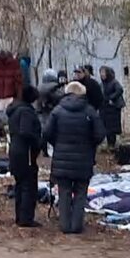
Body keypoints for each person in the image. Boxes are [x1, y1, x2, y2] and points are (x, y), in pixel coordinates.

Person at [45, 81, 105, 234]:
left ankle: (65, 225)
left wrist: (57, 144)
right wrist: (89, 144)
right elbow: (99, 135)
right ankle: (77, 225)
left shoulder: (57, 111)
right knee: (80, 192)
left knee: (64, 191)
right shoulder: (90, 111)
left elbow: (46, 133)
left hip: (61, 159)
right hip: (84, 159)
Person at [7, 85, 43, 228]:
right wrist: (38, 142)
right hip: (25, 152)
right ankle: (26, 218)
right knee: (28, 185)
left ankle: (20, 216)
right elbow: (26, 132)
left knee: (20, 185)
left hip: (16, 150)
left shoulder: (14, 110)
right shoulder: (26, 112)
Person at [99, 66, 125, 149]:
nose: (102, 74)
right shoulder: (102, 84)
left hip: (113, 108)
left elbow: (120, 90)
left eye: (103, 72)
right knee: (106, 127)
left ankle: (112, 145)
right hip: (105, 108)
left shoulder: (113, 82)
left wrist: (111, 97)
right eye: (101, 73)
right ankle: (108, 143)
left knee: (112, 128)